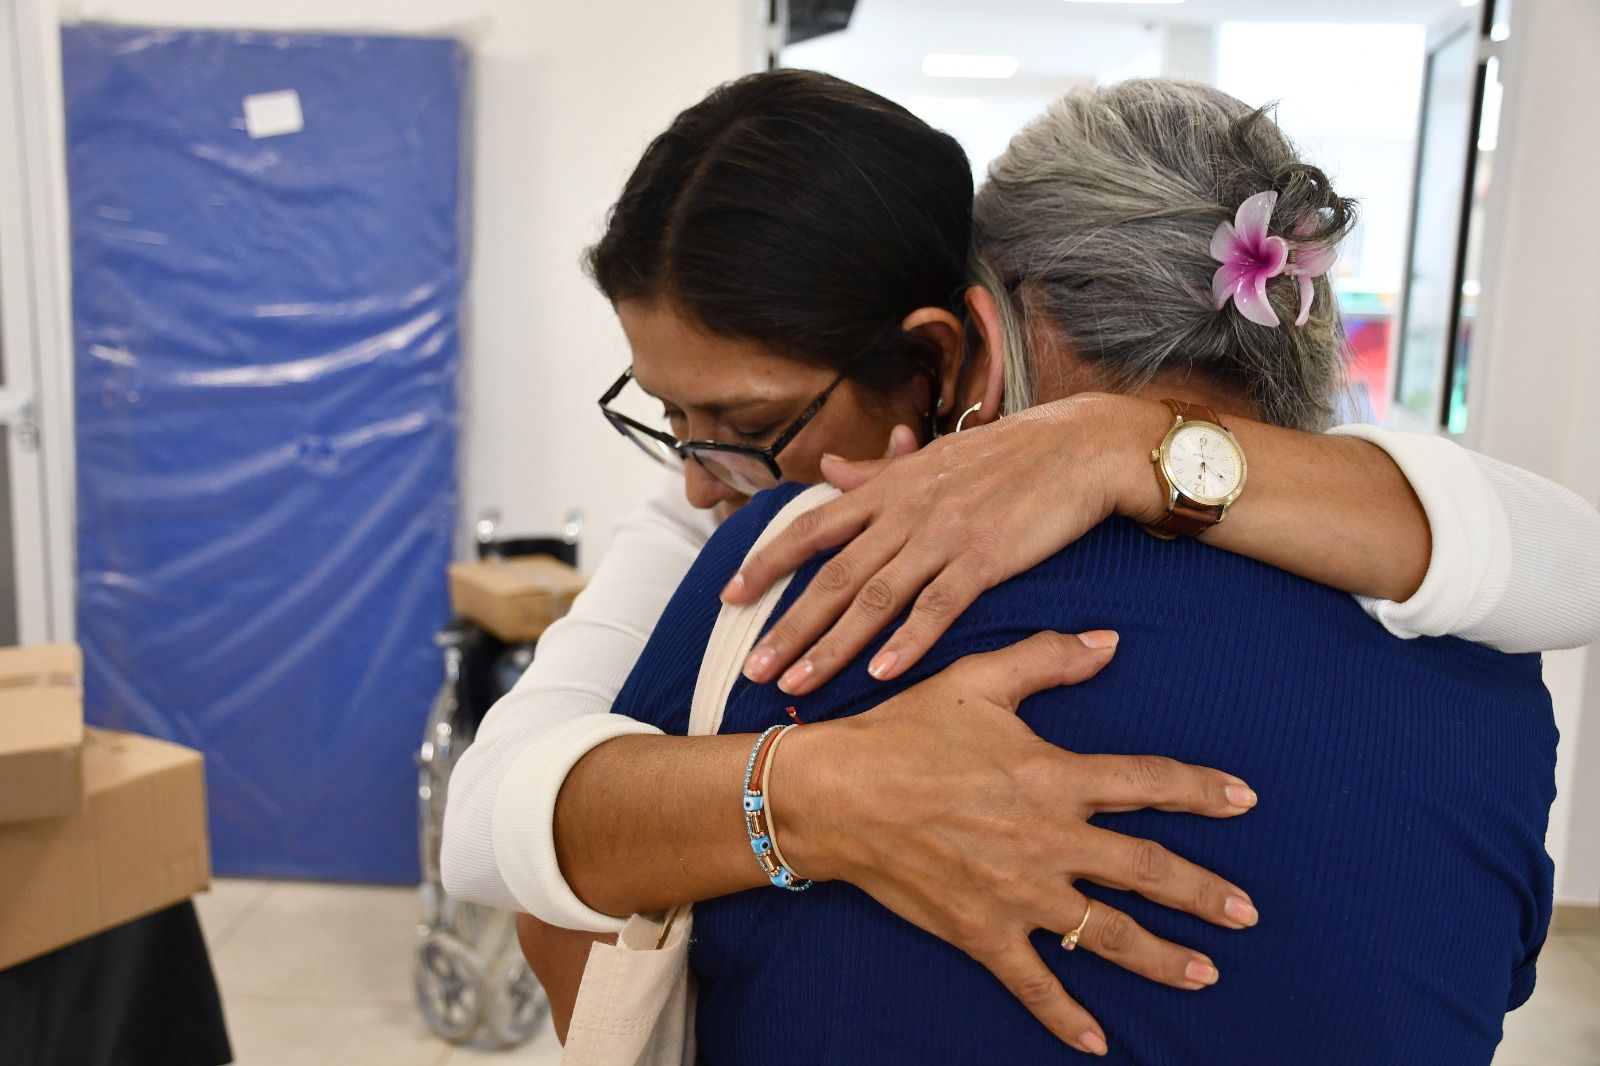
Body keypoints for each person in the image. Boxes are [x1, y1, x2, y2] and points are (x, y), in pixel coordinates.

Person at [439, 70, 1599, 1048]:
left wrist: (1111, 443)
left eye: (741, 428)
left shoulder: (806, 583)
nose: (698, 479)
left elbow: (566, 920)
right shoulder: (1488, 664)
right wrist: (834, 792)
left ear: (974, 346)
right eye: (672, 424)